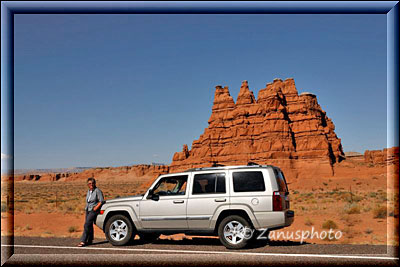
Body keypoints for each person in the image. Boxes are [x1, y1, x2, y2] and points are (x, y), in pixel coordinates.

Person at [78, 177, 105, 247]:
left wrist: (96, 208)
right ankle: (90, 240)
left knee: (86, 224)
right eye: (90, 183)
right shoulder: (88, 191)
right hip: (87, 209)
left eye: (92, 183)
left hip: (93, 210)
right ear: (87, 184)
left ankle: (83, 241)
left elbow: (101, 201)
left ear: (95, 183)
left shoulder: (97, 191)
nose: (91, 185)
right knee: (89, 225)